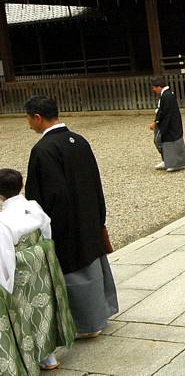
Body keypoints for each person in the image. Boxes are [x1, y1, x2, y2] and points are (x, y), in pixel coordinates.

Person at [23, 95, 118, 338]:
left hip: (66, 223)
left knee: (75, 272)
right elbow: (96, 182)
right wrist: (99, 216)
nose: (29, 125)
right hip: (88, 215)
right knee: (94, 268)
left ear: (37, 117)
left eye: (29, 119)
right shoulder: (80, 141)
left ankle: (86, 325)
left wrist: (46, 226)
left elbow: (50, 195)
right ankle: (101, 312)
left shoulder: (43, 150)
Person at [0, 168, 76, 372]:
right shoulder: (33, 206)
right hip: (40, 262)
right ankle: (49, 357)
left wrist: (4, 286)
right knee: (44, 307)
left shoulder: (3, 220)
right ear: (21, 185)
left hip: (20, 269)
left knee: (23, 313)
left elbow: (5, 255)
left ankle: (30, 359)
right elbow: (47, 230)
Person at [150, 77, 185, 172]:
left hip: (169, 123)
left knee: (163, 141)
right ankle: (167, 161)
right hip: (171, 122)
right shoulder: (167, 94)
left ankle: (175, 163)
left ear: (159, 86)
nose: (153, 90)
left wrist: (157, 123)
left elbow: (164, 112)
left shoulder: (167, 96)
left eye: (154, 87)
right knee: (166, 141)